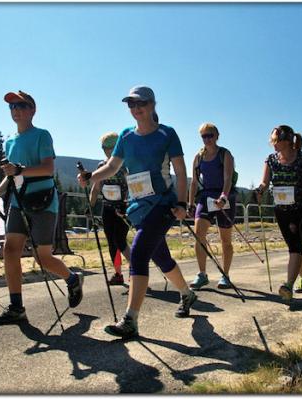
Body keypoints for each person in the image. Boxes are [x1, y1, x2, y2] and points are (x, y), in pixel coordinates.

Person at [78, 85, 196, 338]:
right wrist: (91, 175)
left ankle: (130, 319)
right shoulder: (126, 135)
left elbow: (181, 171)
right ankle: (187, 294)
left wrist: (182, 204)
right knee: (161, 257)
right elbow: (112, 166)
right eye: (131, 104)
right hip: (139, 208)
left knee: (139, 254)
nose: (135, 108)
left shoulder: (167, 134)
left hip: (163, 205)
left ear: (152, 104)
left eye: (140, 103)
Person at [0, 90, 84, 325]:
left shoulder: (42, 135)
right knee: (10, 250)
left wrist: (20, 170)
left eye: (21, 105)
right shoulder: (9, 142)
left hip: (43, 201)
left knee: (43, 258)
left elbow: (47, 169)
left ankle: (72, 279)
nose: (15, 110)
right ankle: (16, 307)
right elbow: (10, 176)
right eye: (12, 107)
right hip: (18, 202)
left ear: (32, 110)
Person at [255, 125, 302, 301]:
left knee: (294, 245)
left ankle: (288, 285)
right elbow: (265, 181)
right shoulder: (271, 159)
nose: (272, 144)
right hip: (281, 208)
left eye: (275, 141)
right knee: (294, 247)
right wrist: (260, 190)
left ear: (286, 141)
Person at [188, 123, 236, 290]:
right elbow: (194, 182)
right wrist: (190, 203)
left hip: (224, 196)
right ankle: (202, 274)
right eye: (204, 136)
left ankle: (225, 275)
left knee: (225, 240)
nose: (207, 139)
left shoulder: (225, 154)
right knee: (198, 233)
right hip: (206, 197)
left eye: (210, 135)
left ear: (217, 136)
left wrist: (223, 196)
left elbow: (228, 178)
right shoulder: (198, 157)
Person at [89, 132, 132, 285]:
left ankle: (136, 270)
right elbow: (95, 188)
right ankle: (118, 273)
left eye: (110, 147)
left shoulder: (124, 165)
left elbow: (133, 186)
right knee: (111, 241)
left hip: (123, 208)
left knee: (120, 240)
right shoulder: (102, 166)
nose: (106, 150)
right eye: (104, 147)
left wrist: (128, 205)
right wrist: (91, 206)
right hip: (107, 208)